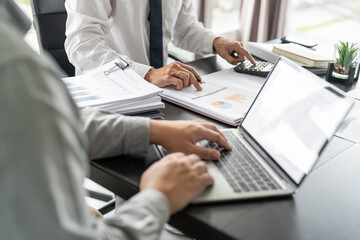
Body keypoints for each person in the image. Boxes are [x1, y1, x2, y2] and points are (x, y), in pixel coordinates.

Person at [0, 1, 232, 239]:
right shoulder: (14, 66)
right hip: (111, 96)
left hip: (156, 102)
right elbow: (82, 44)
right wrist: (156, 201)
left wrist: (155, 130)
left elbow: (54, 121)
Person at [65, 0, 256, 91]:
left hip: (160, 91)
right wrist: (146, 74)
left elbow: (184, 29)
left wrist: (216, 42)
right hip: (109, 92)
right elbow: (81, 44)